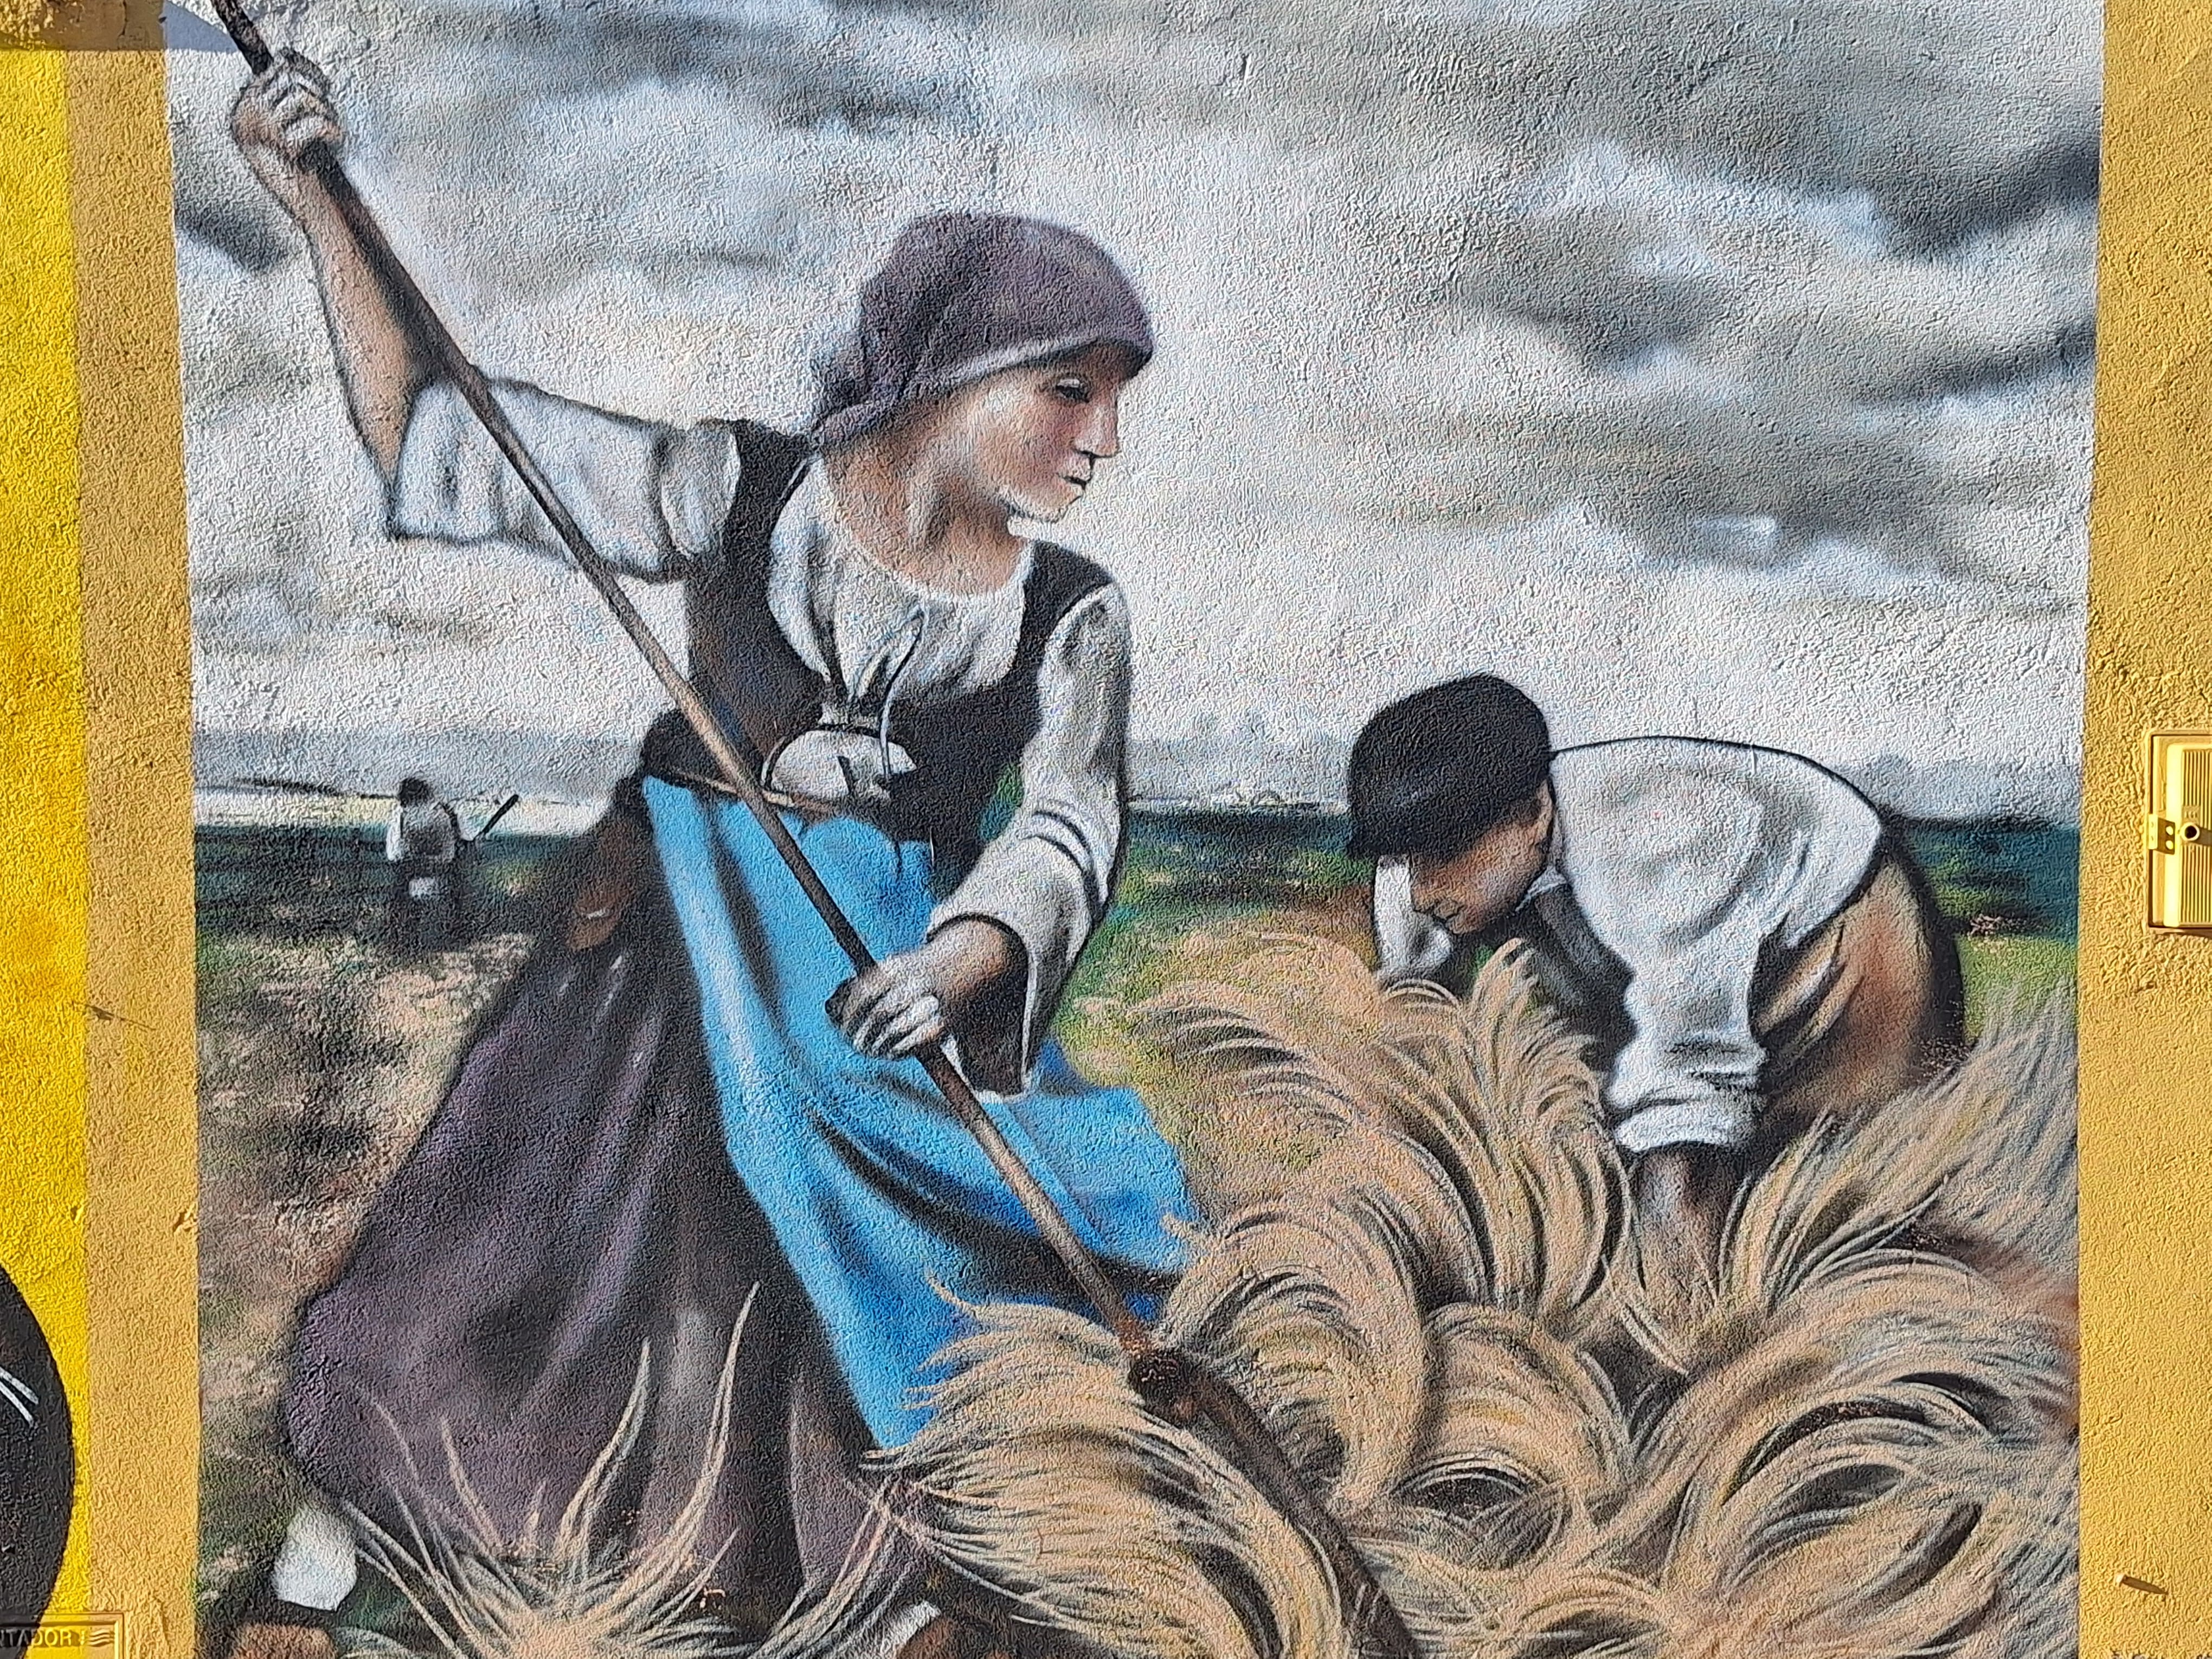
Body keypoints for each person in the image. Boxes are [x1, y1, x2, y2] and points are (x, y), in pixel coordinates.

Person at [226, 49, 1194, 1659]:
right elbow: (446, 443)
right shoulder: (732, 493)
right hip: (668, 975)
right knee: (518, 1266)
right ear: (949, 378)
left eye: (1113, 398)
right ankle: (332, 1572)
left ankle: (858, 1601)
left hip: (874, 1007)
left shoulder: (1069, 613)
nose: (1100, 438)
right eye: (1067, 391)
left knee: (858, 1301)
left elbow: (1067, 826)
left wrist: (965, 957)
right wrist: (320, 211)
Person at [1346, 674, 1965, 1299]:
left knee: (1854, 1202)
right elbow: (1406, 1031)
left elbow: (1687, 1099)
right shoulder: (1420, 879)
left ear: (1532, 814)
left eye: (1445, 853)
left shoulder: (1660, 842)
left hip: (1837, 937)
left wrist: (1672, 1306)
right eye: (1404, 859)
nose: (1420, 892)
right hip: (1649, 950)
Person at [382, 776, 458, 949]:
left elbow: (395, 852)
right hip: (424, 868)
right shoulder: (435, 815)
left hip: (422, 869)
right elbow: (396, 851)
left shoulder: (410, 816)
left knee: (403, 897)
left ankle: (403, 939)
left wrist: (421, 860)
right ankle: (406, 938)